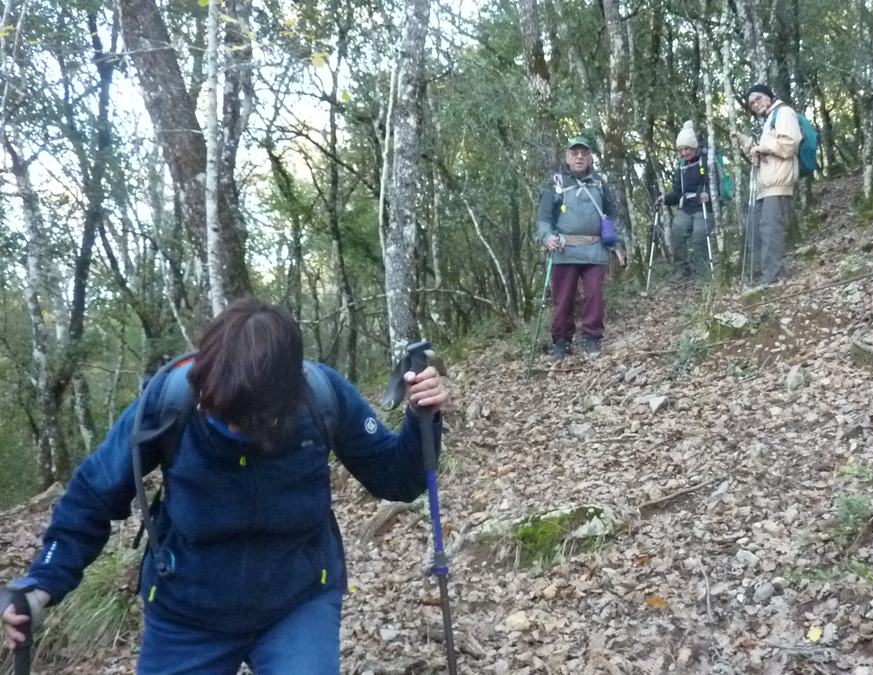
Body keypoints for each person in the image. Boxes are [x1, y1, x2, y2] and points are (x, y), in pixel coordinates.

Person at [1, 298, 448, 673]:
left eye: (246, 416)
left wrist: (420, 417)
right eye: (216, 410)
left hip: (298, 600)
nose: (229, 424)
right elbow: (93, 496)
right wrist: (42, 584)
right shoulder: (171, 399)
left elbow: (399, 478)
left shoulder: (320, 397)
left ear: (284, 398)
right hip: (187, 611)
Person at [534, 136, 626, 359]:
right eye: (575, 153)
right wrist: (546, 236)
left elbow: (611, 215)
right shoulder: (555, 183)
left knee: (594, 295)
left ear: (590, 158)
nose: (579, 157)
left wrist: (617, 242)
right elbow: (544, 217)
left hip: (595, 250)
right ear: (567, 157)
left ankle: (592, 338)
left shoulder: (599, 183)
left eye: (584, 153)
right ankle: (562, 341)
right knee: (563, 298)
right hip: (564, 250)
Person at [735, 83, 801, 287]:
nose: (755, 104)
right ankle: (758, 275)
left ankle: (772, 277)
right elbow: (760, 159)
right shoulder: (765, 122)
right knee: (754, 229)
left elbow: (790, 144)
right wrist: (748, 146)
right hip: (764, 185)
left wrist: (761, 146)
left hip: (779, 182)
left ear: (768, 96)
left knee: (770, 230)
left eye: (758, 99)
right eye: (751, 103)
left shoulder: (784, 113)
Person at [658, 121, 717, 283]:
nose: (684, 153)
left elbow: (714, 183)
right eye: (681, 150)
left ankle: (703, 274)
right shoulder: (682, 166)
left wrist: (710, 196)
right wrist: (665, 199)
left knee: (699, 237)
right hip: (686, 207)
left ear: (694, 147)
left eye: (687, 149)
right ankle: (682, 269)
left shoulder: (707, 160)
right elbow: (677, 192)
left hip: (704, 206)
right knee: (676, 234)